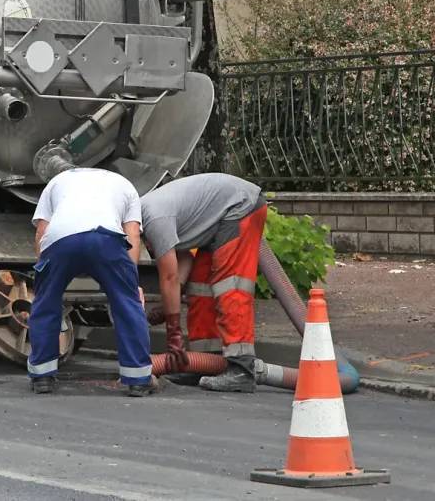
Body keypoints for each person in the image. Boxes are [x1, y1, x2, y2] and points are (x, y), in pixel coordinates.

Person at [28, 167, 157, 397]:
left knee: (46, 301)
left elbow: (42, 231)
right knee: (127, 305)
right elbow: (133, 234)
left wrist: (44, 276)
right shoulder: (126, 185)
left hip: (59, 239)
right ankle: (138, 379)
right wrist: (130, 282)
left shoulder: (57, 181)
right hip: (105, 239)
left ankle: (42, 377)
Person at [139, 173, 267, 393]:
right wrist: (167, 306)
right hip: (217, 220)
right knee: (199, 289)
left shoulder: (153, 219)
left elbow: (169, 277)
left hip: (240, 207)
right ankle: (206, 362)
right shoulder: (144, 215)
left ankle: (241, 370)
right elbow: (185, 258)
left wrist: (174, 337)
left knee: (230, 287)